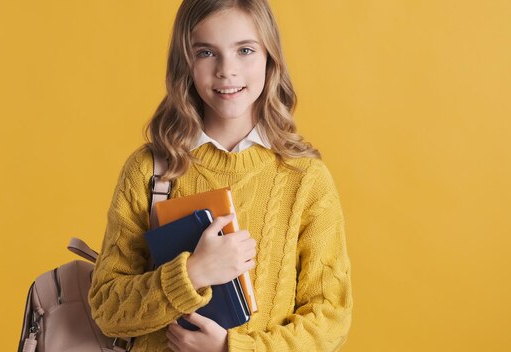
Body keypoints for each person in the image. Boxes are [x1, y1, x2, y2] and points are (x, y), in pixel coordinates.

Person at [88, 0, 352, 351]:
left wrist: (231, 348)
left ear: (270, 58)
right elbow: (108, 310)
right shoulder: (150, 170)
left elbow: (330, 318)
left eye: (245, 50)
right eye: (206, 53)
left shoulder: (305, 179)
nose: (226, 70)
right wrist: (194, 273)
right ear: (186, 63)